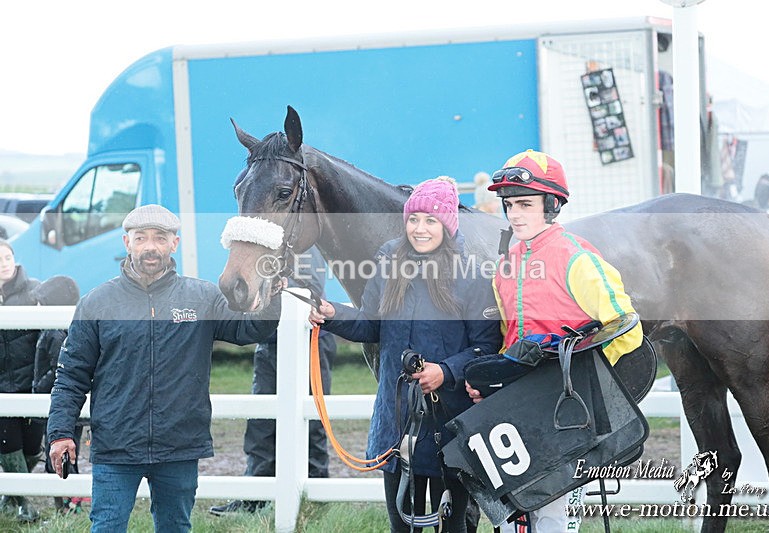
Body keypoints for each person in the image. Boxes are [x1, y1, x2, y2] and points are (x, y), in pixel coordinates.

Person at [46, 204, 282, 533]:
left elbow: (250, 329)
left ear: (174, 243)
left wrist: (272, 293)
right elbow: (70, 376)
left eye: (160, 238)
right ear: (127, 243)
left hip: (179, 444)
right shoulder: (97, 302)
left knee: (175, 527)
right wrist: (60, 433)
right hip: (116, 446)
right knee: (107, 526)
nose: (150, 246)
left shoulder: (203, 297)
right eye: (141, 238)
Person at [309, 176, 502, 533]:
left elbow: (486, 346)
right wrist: (334, 314)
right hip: (396, 423)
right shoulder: (388, 261)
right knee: (401, 527)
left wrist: (446, 371)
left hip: (449, 426)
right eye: (413, 219)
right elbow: (370, 326)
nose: (419, 228)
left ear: (447, 224)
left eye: (430, 220)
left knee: (453, 526)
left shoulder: (472, 274)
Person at [466, 150, 642, 533]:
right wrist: (494, 383)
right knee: (513, 517)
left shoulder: (577, 259)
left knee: (553, 518)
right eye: (509, 205)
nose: (515, 214)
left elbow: (626, 329)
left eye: (525, 204)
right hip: (519, 408)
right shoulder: (505, 266)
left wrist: (584, 380)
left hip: (567, 411)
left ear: (551, 205)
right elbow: (509, 340)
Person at [209, 245, 336, 515]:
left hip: (309, 340)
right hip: (269, 340)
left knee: (311, 421)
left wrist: (279, 287)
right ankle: (255, 496)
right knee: (261, 421)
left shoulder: (304, 244)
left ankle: (314, 497)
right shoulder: (261, 245)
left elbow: (311, 288)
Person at [30, 275, 89, 514]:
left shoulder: (54, 333)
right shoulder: (62, 329)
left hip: (57, 405)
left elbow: (57, 369)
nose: (37, 307)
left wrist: (38, 386)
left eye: (41, 302)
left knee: (59, 457)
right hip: (66, 406)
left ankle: (69, 506)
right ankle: (69, 504)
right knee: (67, 454)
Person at [0, 238, 42, 523]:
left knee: (32, 448)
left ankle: (10, 496)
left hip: (32, 384)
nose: (4, 264)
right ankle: (24, 504)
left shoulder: (35, 290)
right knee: (8, 444)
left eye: (7, 258)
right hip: (1, 388)